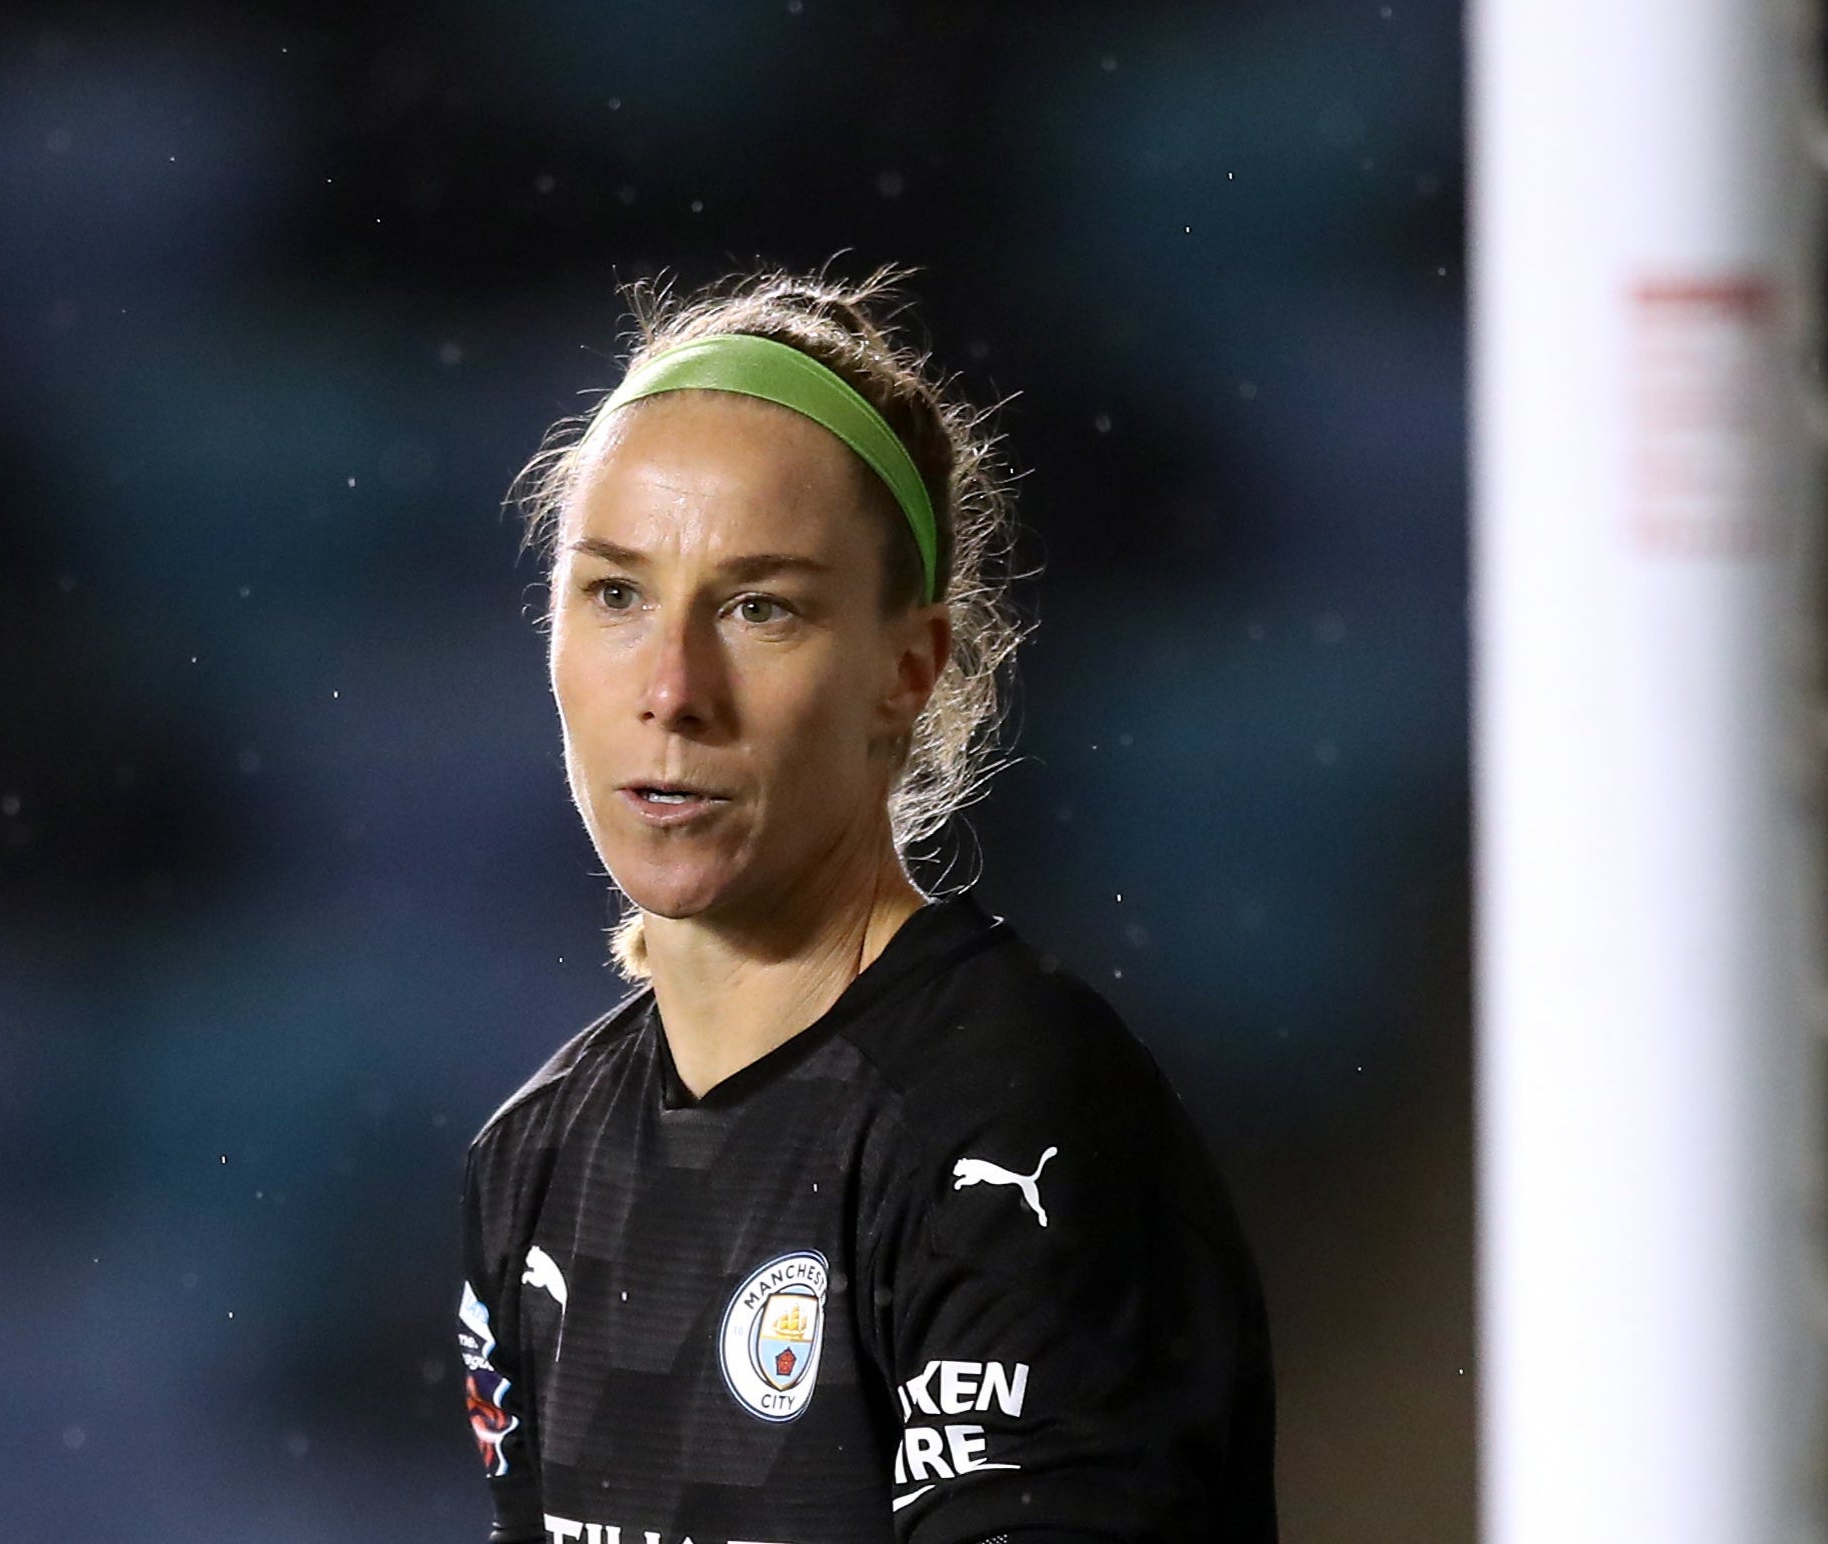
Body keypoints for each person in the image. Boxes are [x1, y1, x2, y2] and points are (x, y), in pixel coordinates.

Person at [457, 266, 1277, 1544]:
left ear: (906, 670)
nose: (671, 687)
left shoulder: (1008, 1107)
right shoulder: (535, 1162)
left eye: (758, 607)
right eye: (615, 593)